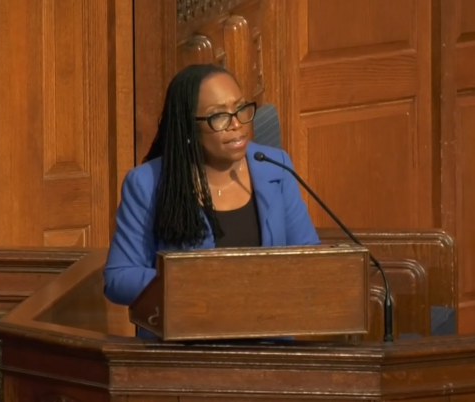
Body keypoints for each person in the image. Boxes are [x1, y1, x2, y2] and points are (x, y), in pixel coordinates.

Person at [103, 63, 320, 338]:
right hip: (185, 352)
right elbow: (119, 278)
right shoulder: (147, 183)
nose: (237, 125)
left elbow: (311, 262)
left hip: (268, 345)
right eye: (218, 116)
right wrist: (199, 283)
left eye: (241, 109)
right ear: (188, 128)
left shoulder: (275, 166)